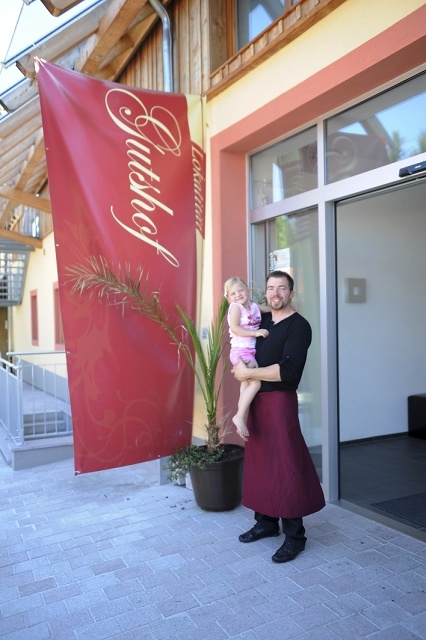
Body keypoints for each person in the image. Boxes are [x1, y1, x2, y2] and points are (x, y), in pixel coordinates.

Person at [232, 270, 325, 563]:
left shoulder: (299, 326)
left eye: (282, 288)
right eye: (271, 288)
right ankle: (267, 523)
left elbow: (288, 371)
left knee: (286, 465)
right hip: (256, 401)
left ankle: (295, 537)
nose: (275, 293)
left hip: (279, 402)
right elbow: (240, 328)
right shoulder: (263, 320)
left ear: (291, 293)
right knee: (261, 464)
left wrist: (248, 373)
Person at [224, 277, 269, 440]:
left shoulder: (254, 307)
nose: (238, 295)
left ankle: (241, 419)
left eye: (241, 290)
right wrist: (255, 333)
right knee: (256, 383)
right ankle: (239, 416)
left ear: (248, 290)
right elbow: (235, 328)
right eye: (233, 293)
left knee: (246, 385)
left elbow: (270, 309)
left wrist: (290, 309)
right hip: (241, 351)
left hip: (249, 351)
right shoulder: (236, 308)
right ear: (229, 298)